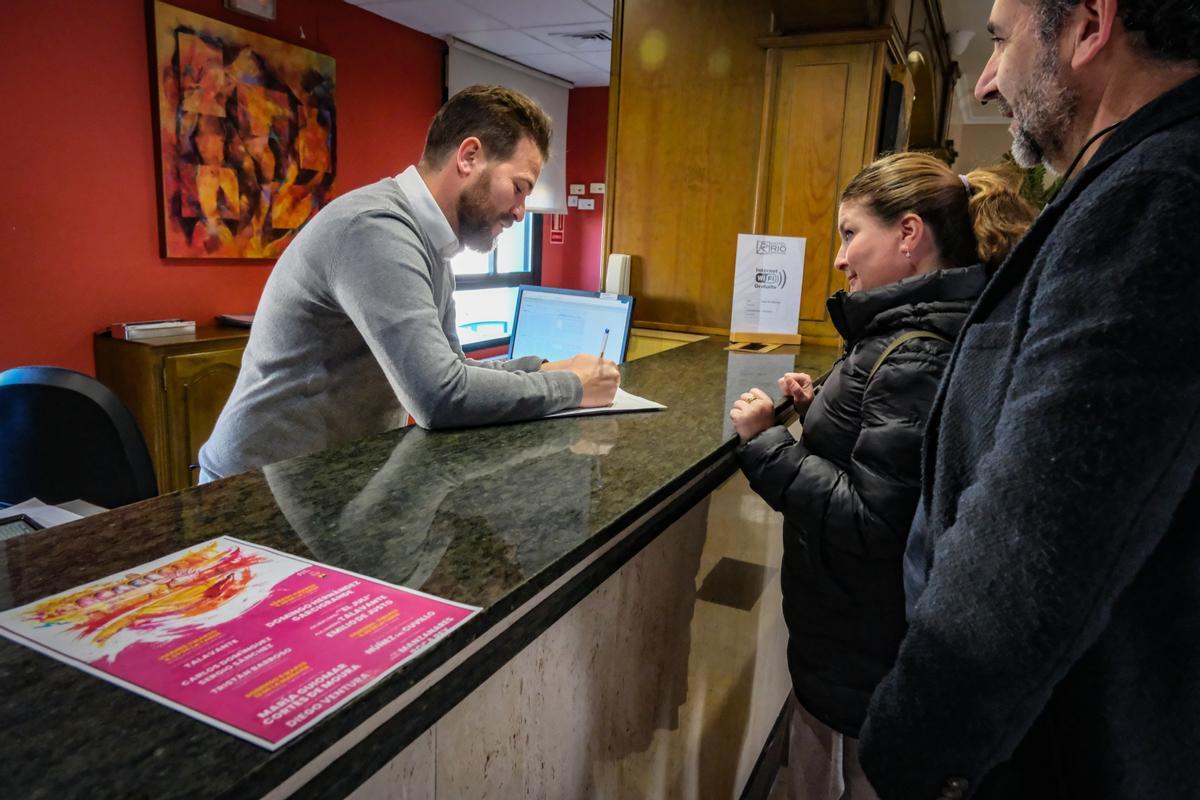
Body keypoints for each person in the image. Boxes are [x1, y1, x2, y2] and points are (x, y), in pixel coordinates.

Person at [857, 2, 1200, 799]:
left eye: (1002, 41)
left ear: (1089, 25)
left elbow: (1035, 542)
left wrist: (907, 753)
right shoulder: (1131, 181)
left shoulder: (1156, 194)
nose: (982, 83)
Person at [728, 153, 1035, 800]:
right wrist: (822, 413)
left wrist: (767, 444)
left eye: (848, 233)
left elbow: (871, 522)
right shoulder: (914, 327)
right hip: (853, 641)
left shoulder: (916, 348)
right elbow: (894, 457)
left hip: (858, 649)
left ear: (908, 234)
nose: (840, 257)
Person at [199, 85, 620, 481]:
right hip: (254, 485)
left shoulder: (431, 244)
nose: (521, 212)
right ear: (469, 156)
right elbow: (439, 397)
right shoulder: (376, 229)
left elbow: (450, 367)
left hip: (322, 478)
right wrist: (571, 386)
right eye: (519, 188)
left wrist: (541, 368)